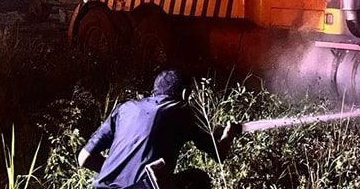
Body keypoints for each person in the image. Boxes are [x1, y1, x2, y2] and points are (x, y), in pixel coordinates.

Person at [78, 69, 241, 189]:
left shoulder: (125, 109)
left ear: (154, 93)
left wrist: (118, 172)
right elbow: (219, 154)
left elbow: (83, 158)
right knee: (198, 179)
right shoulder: (181, 111)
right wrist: (229, 133)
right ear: (185, 94)